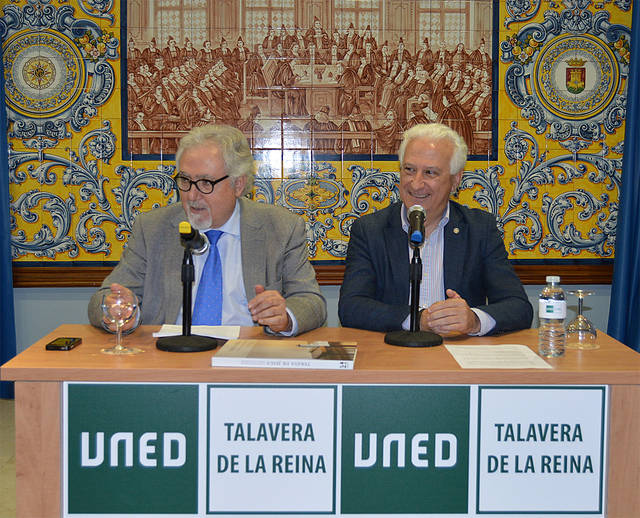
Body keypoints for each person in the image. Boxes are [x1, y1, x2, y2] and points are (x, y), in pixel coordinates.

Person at [88, 124, 326, 336]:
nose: (192, 195)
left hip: (248, 359)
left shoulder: (280, 228)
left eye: (205, 183)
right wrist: (118, 310)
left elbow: (311, 302)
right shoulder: (153, 228)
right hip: (170, 359)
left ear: (238, 184)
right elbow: (103, 299)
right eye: (185, 180)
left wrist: (285, 317)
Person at [338, 123, 532, 336]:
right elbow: (351, 307)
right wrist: (417, 320)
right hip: (394, 354)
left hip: (459, 357)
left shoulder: (479, 229)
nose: (416, 184)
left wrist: (474, 320)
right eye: (409, 170)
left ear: (455, 179)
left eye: (430, 173)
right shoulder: (370, 230)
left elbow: (518, 307)